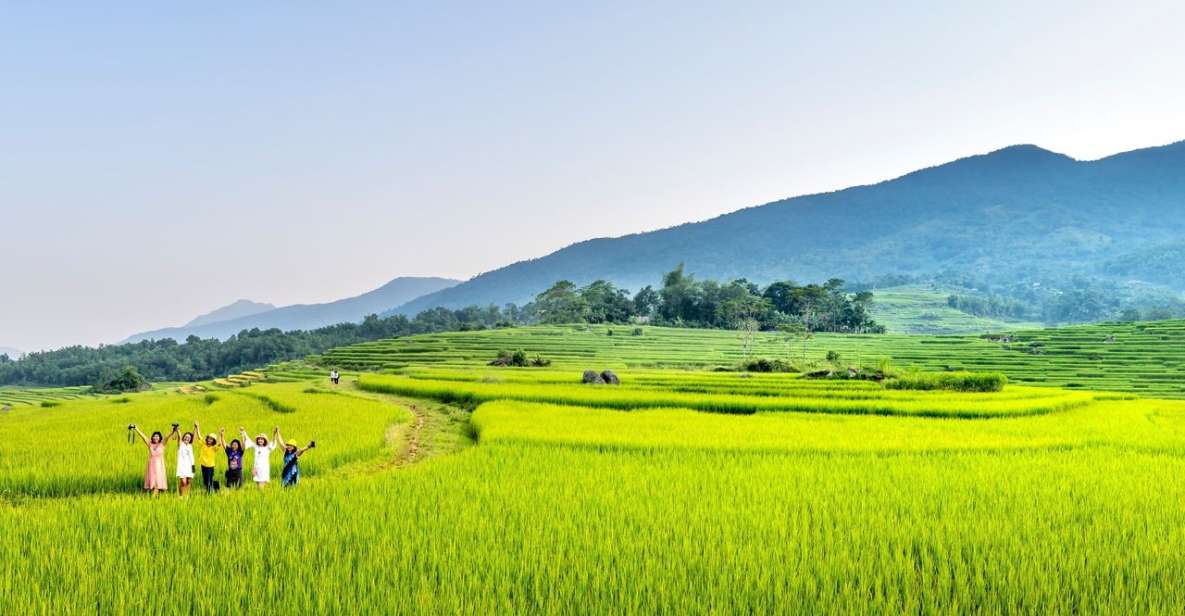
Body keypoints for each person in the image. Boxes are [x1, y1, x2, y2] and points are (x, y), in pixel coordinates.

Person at [131, 424, 178, 496]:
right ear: (152, 437)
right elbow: (143, 436)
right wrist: (136, 428)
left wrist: (173, 430)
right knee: (151, 484)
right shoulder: (150, 444)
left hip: (159, 467)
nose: (156, 437)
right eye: (154, 436)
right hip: (151, 466)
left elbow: (167, 437)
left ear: (160, 438)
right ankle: (154, 497)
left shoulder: (162, 444)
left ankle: (155, 499)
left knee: (157, 484)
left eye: (157, 436)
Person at [194, 421, 221, 493]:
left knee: (209, 480)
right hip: (203, 465)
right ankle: (214, 490)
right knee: (205, 480)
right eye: (209, 438)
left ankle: (210, 493)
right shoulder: (203, 444)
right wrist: (197, 427)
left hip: (210, 466)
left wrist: (221, 435)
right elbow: (199, 436)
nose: (209, 440)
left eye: (211, 439)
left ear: (213, 441)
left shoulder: (214, 448)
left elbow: (219, 444)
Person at [175, 428, 196, 496]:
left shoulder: (190, 446)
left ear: (190, 439)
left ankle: (187, 495)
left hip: (191, 466)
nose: (187, 438)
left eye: (189, 437)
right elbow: (179, 437)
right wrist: (178, 430)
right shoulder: (181, 444)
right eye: (186, 437)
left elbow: (193, 437)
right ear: (184, 437)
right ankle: (181, 495)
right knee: (183, 482)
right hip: (182, 466)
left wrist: (195, 428)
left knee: (189, 481)